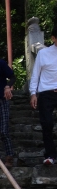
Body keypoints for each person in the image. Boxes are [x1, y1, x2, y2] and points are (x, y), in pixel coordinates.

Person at [29, 25, 57, 165]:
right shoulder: (43, 53)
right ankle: (50, 155)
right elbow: (36, 74)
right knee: (47, 123)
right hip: (46, 92)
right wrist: (33, 93)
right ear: (53, 38)